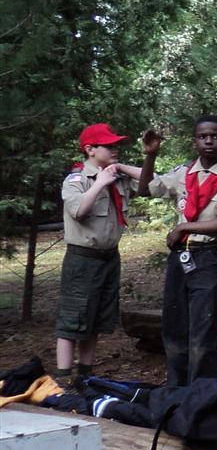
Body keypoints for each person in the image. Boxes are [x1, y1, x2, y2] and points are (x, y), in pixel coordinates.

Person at [56, 124, 158, 384]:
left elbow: (152, 181)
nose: (115, 150)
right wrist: (100, 182)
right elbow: (79, 211)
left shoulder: (118, 177)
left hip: (109, 258)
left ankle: (85, 377)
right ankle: (64, 381)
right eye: (109, 146)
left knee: (96, 320)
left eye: (116, 145)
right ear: (90, 149)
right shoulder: (77, 180)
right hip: (82, 259)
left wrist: (120, 167)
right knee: (73, 320)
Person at [142, 116, 217, 386]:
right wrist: (151, 155)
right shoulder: (183, 173)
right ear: (195, 140)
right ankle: (176, 389)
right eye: (203, 136)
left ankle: (201, 391)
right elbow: (146, 189)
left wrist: (185, 226)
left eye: (215, 136)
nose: (209, 141)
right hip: (180, 256)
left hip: (207, 256)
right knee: (175, 326)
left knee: (204, 329)